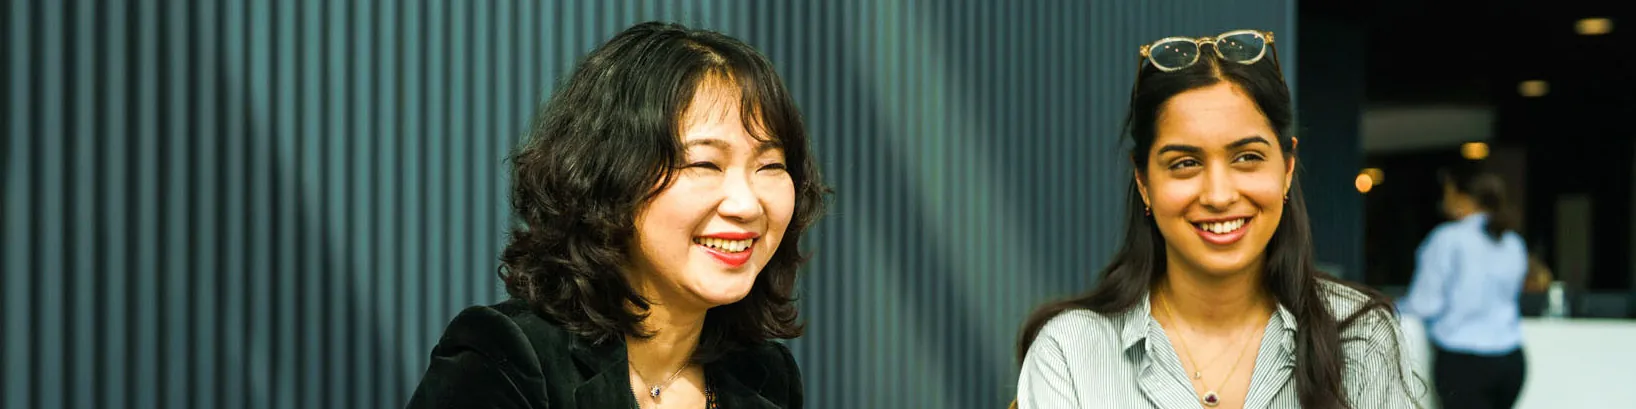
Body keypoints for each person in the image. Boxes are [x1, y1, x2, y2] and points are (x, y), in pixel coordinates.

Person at [405, 21, 828, 409]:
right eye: (704, 165)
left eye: (770, 166)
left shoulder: (766, 375)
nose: (746, 205)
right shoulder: (507, 355)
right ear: (611, 178)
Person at [1013, 29, 1422, 409]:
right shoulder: (1070, 350)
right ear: (1143, 183)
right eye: (1185, 163)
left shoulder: (1359, 336)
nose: (1219, 195)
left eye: (1247, 158)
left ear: (1287, 167)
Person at [1398, 168, 1528, 409]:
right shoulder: (1514, 243)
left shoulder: (1447, 239)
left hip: (1465, 364)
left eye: (1447, 193)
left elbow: (1425, 304)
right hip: (1511, 361)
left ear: (1461, 197)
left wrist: (1390, 307)